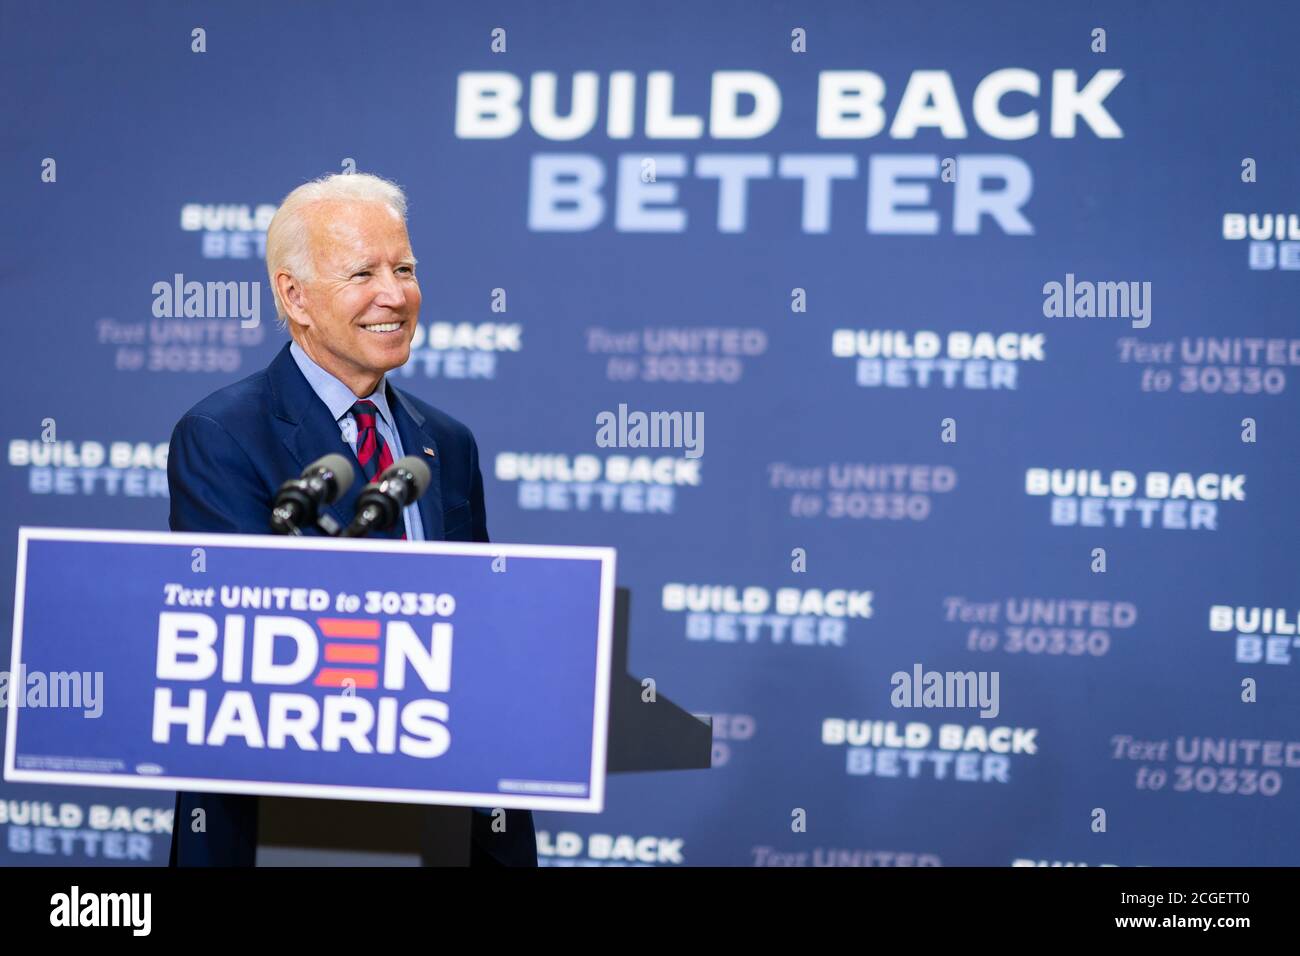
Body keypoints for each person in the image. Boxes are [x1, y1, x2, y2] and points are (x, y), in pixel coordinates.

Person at [166, 172, 536, 866]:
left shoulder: (444, 442)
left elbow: (483, 625)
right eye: (362, 272)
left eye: (404, 269)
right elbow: (249, 642)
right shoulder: (223, 433)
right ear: (294, 296)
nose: (394, 295)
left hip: (444, 811)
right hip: (291, 824)